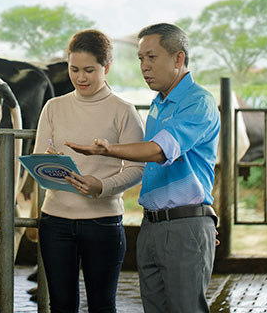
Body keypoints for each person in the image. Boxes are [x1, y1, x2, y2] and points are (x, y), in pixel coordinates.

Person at [66, 23, 220, 313]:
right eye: (140, 59)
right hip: (152, 225)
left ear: (178, 58)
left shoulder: (199, 102)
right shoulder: (159, 103)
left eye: (152, 57)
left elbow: (159, 151)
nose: (144, 66)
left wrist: (107, 149)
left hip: (183, 226)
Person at [34, 29, 145, 313]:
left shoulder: (124, 111)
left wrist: (102, 186)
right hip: (55, 221)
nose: (80, 78)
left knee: (102, 305)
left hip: (103, 222)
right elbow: (38, 156)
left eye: (89, 70)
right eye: (74, 69)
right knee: (60, 305)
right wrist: (49, 164)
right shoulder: (53, 107)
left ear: (106, 67)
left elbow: (137, 168)